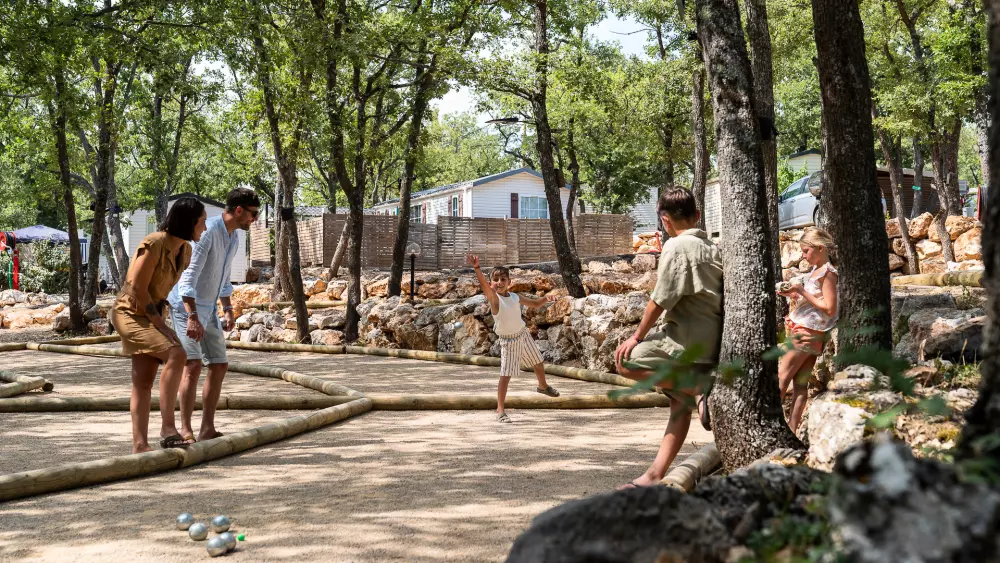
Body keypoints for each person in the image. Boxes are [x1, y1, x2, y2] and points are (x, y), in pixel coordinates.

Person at [613, 186, 723, 488]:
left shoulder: (676, 246)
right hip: (711, 341)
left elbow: (660, 300)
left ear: (664, 220)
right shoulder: (713, 248)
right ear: (698, 216)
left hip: (686, 341)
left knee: (627, 361)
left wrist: (636, 336)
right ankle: (654, 475)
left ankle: (699, 389)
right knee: (679, 404)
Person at [111, 197, 207, 453]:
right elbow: (137, 289)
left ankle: (140, 446)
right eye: (202, 222)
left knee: (143, 381)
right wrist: (161, 326)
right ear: (189, 222)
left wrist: (189, 316)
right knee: (177, 353)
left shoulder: (185, 250)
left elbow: (167, 291)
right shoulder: (153, 243)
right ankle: (168, 429)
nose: (205, 228)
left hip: (154, 313)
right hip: (130, 314)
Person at [169, 188, 260, 442]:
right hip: (185, 307)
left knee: (219, 364)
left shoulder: (234, 238)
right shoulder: (206, 233)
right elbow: (188, 279)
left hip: (208, 308)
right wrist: (192, 316)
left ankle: (207, 428)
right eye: (253, 214)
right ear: (239, 210)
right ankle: (185, 430)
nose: (255, 219)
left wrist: (228, 308)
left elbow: (222, 278)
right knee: (193, 365)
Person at [466, 254, 560, 423]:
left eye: (503, 279)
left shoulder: (515, 297)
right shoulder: (495, 299)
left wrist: (546, 298)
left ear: (509, 282)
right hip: (508, 341)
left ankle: (543, 386)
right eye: (496, 280)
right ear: (491, 284)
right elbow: (484, 286)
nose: (500, 282)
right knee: (506, 375)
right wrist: (477, 268)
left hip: (522, 334)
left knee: (538, 362)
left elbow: (536, 304)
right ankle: (500, 409)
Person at [776, 227, 839, 434]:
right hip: (810, 331)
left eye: (806, 251)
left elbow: (829, 308)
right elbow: (815, 302)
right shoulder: (816, 271)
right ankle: (791, 432)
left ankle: (771, 427)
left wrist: (801, 290)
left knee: (782, 377)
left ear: (820, 248)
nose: (803, 256)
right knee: (799, 384)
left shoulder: (828, 273)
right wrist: (795, 295)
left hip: (807, 331)